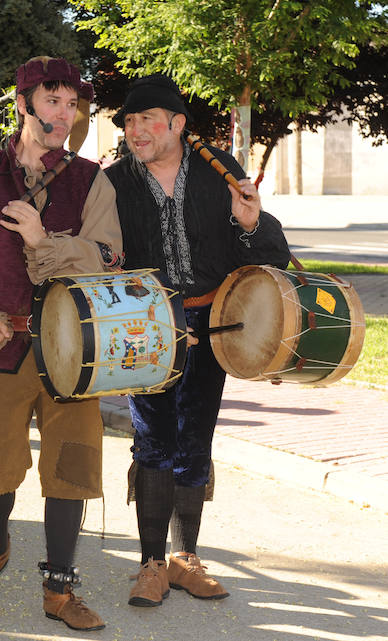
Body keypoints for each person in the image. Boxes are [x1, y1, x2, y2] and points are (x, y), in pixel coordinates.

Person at [0, 56, 122, 631]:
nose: (62, 115)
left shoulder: (92, 180)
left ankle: (60, 586)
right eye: (51, 102)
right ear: (24, 104)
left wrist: (43, 240)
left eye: (71, 105)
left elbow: (108, 259)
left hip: (72, 353)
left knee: (72, 464)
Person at [103, 74, 290, 607]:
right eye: (130, 122)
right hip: (146, 327)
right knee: (153, 439)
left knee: (196, 441)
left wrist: (250, 223)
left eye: (146, 120)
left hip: (213, 326)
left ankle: (187, 560)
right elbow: (98, 252)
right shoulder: (114, 183)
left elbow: (268, 253)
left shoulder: (218, 175)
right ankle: (151, 565)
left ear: (177, 124)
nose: (136, 131)